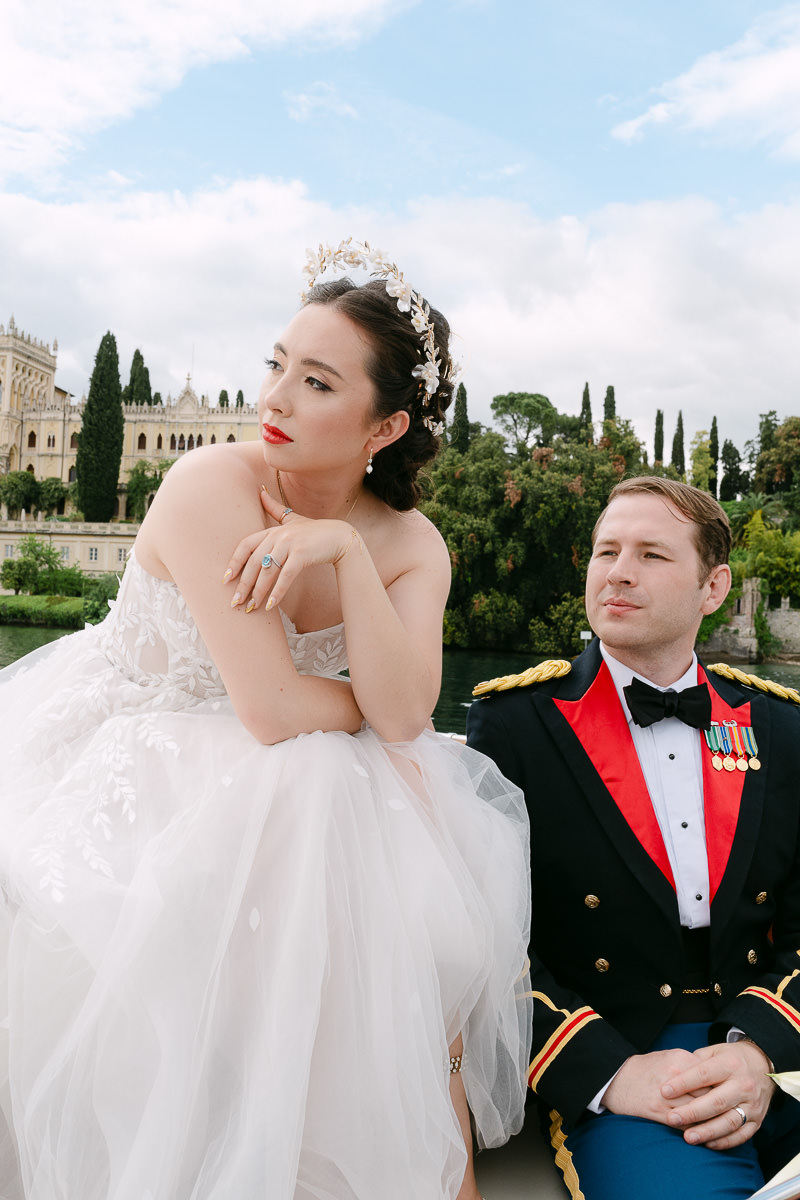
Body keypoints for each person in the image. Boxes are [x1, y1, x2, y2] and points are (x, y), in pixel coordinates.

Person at [0, 240, 531, 1200]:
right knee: (322, 792)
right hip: (138, 746)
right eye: (275, 364)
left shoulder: (411, 542)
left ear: (387, 424)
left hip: (286, 767)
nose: (276, 398)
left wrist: (346, 557)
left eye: (317, 380)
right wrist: (368, 701)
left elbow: (406, 715)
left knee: (391, 842)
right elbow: (277, 709)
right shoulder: (212, 484)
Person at [467, 476, 800, 1200]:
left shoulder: (781, 727)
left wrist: (758, 1047)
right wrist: (611, 1073)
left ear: (714, 588)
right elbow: (486, 948)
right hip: (622, 1049)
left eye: (651, 554)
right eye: (606, 551)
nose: (617, 571)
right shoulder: (516, 725)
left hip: (768, 1036)